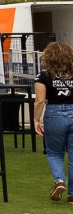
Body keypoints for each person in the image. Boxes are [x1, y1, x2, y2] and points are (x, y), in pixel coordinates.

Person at [35, 41, 73, 202]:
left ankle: (59, 181)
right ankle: (72, 194)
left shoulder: (43, 75)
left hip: (54, 114)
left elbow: (40, 100)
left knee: (54, 153)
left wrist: (36, 120)